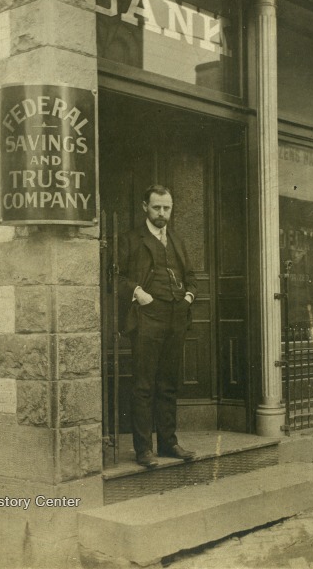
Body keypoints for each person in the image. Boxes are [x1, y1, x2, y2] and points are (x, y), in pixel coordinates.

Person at [117, 185, 198, 468]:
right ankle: (144, 450)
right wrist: (139, 293)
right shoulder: (130, 239)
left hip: (176, 316)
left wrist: (188, 297)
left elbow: (191, 276)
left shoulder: (176, 239)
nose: (162, 213)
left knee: (168, 384)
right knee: (143, 385)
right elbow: (116, 277)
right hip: (148, 316)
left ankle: (168, 443)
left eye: (166, 208)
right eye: (156, 208)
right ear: (145, 207)